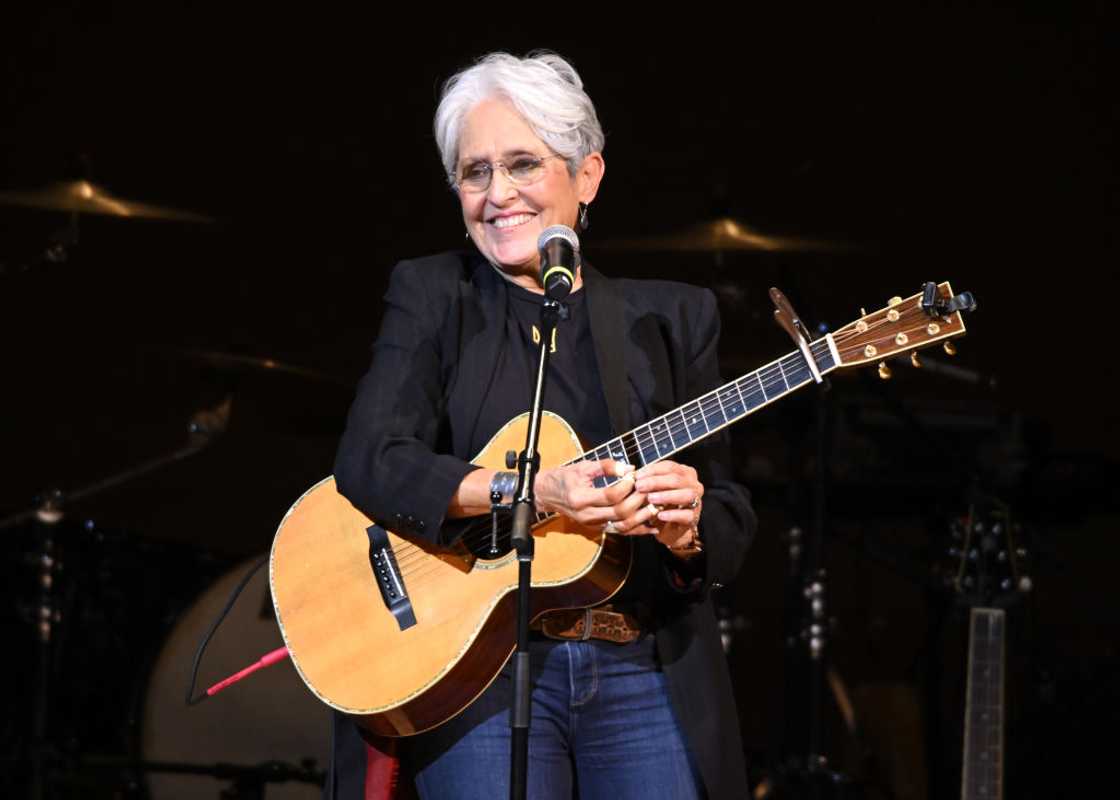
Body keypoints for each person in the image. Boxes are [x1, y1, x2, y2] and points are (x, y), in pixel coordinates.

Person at [327, 51, 757, 800]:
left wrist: (686, 529)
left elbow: (726, 507)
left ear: (587, 175)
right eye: (475, 172)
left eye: (523, 164)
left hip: (640, 662)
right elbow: (370, 459)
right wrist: (527, 493)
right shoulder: (433, 295)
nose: (497, 195)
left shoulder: (672, 316)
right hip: (483, 671)